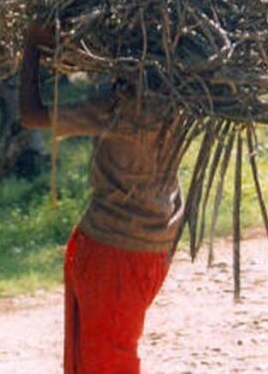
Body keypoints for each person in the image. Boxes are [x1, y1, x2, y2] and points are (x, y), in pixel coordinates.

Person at [19, 22, 188, 374]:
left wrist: (33, 49)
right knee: (105, 354)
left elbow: (32, 116)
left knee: (106, 361)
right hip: (154, 250)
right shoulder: (182, 103)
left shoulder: (122, 109)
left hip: (113, 252)